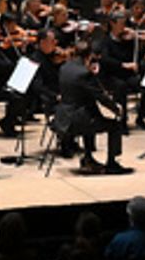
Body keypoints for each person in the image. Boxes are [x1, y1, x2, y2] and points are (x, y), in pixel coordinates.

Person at [56, 41, 131, 175]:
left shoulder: (65, 67)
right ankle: (112, 163)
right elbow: (100, 96)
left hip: (62, 118)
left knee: (91, 115)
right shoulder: (85, 73)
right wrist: (117, 109)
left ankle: (88, 158)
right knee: (114, 125)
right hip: (75, 121)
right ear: (90, 55)